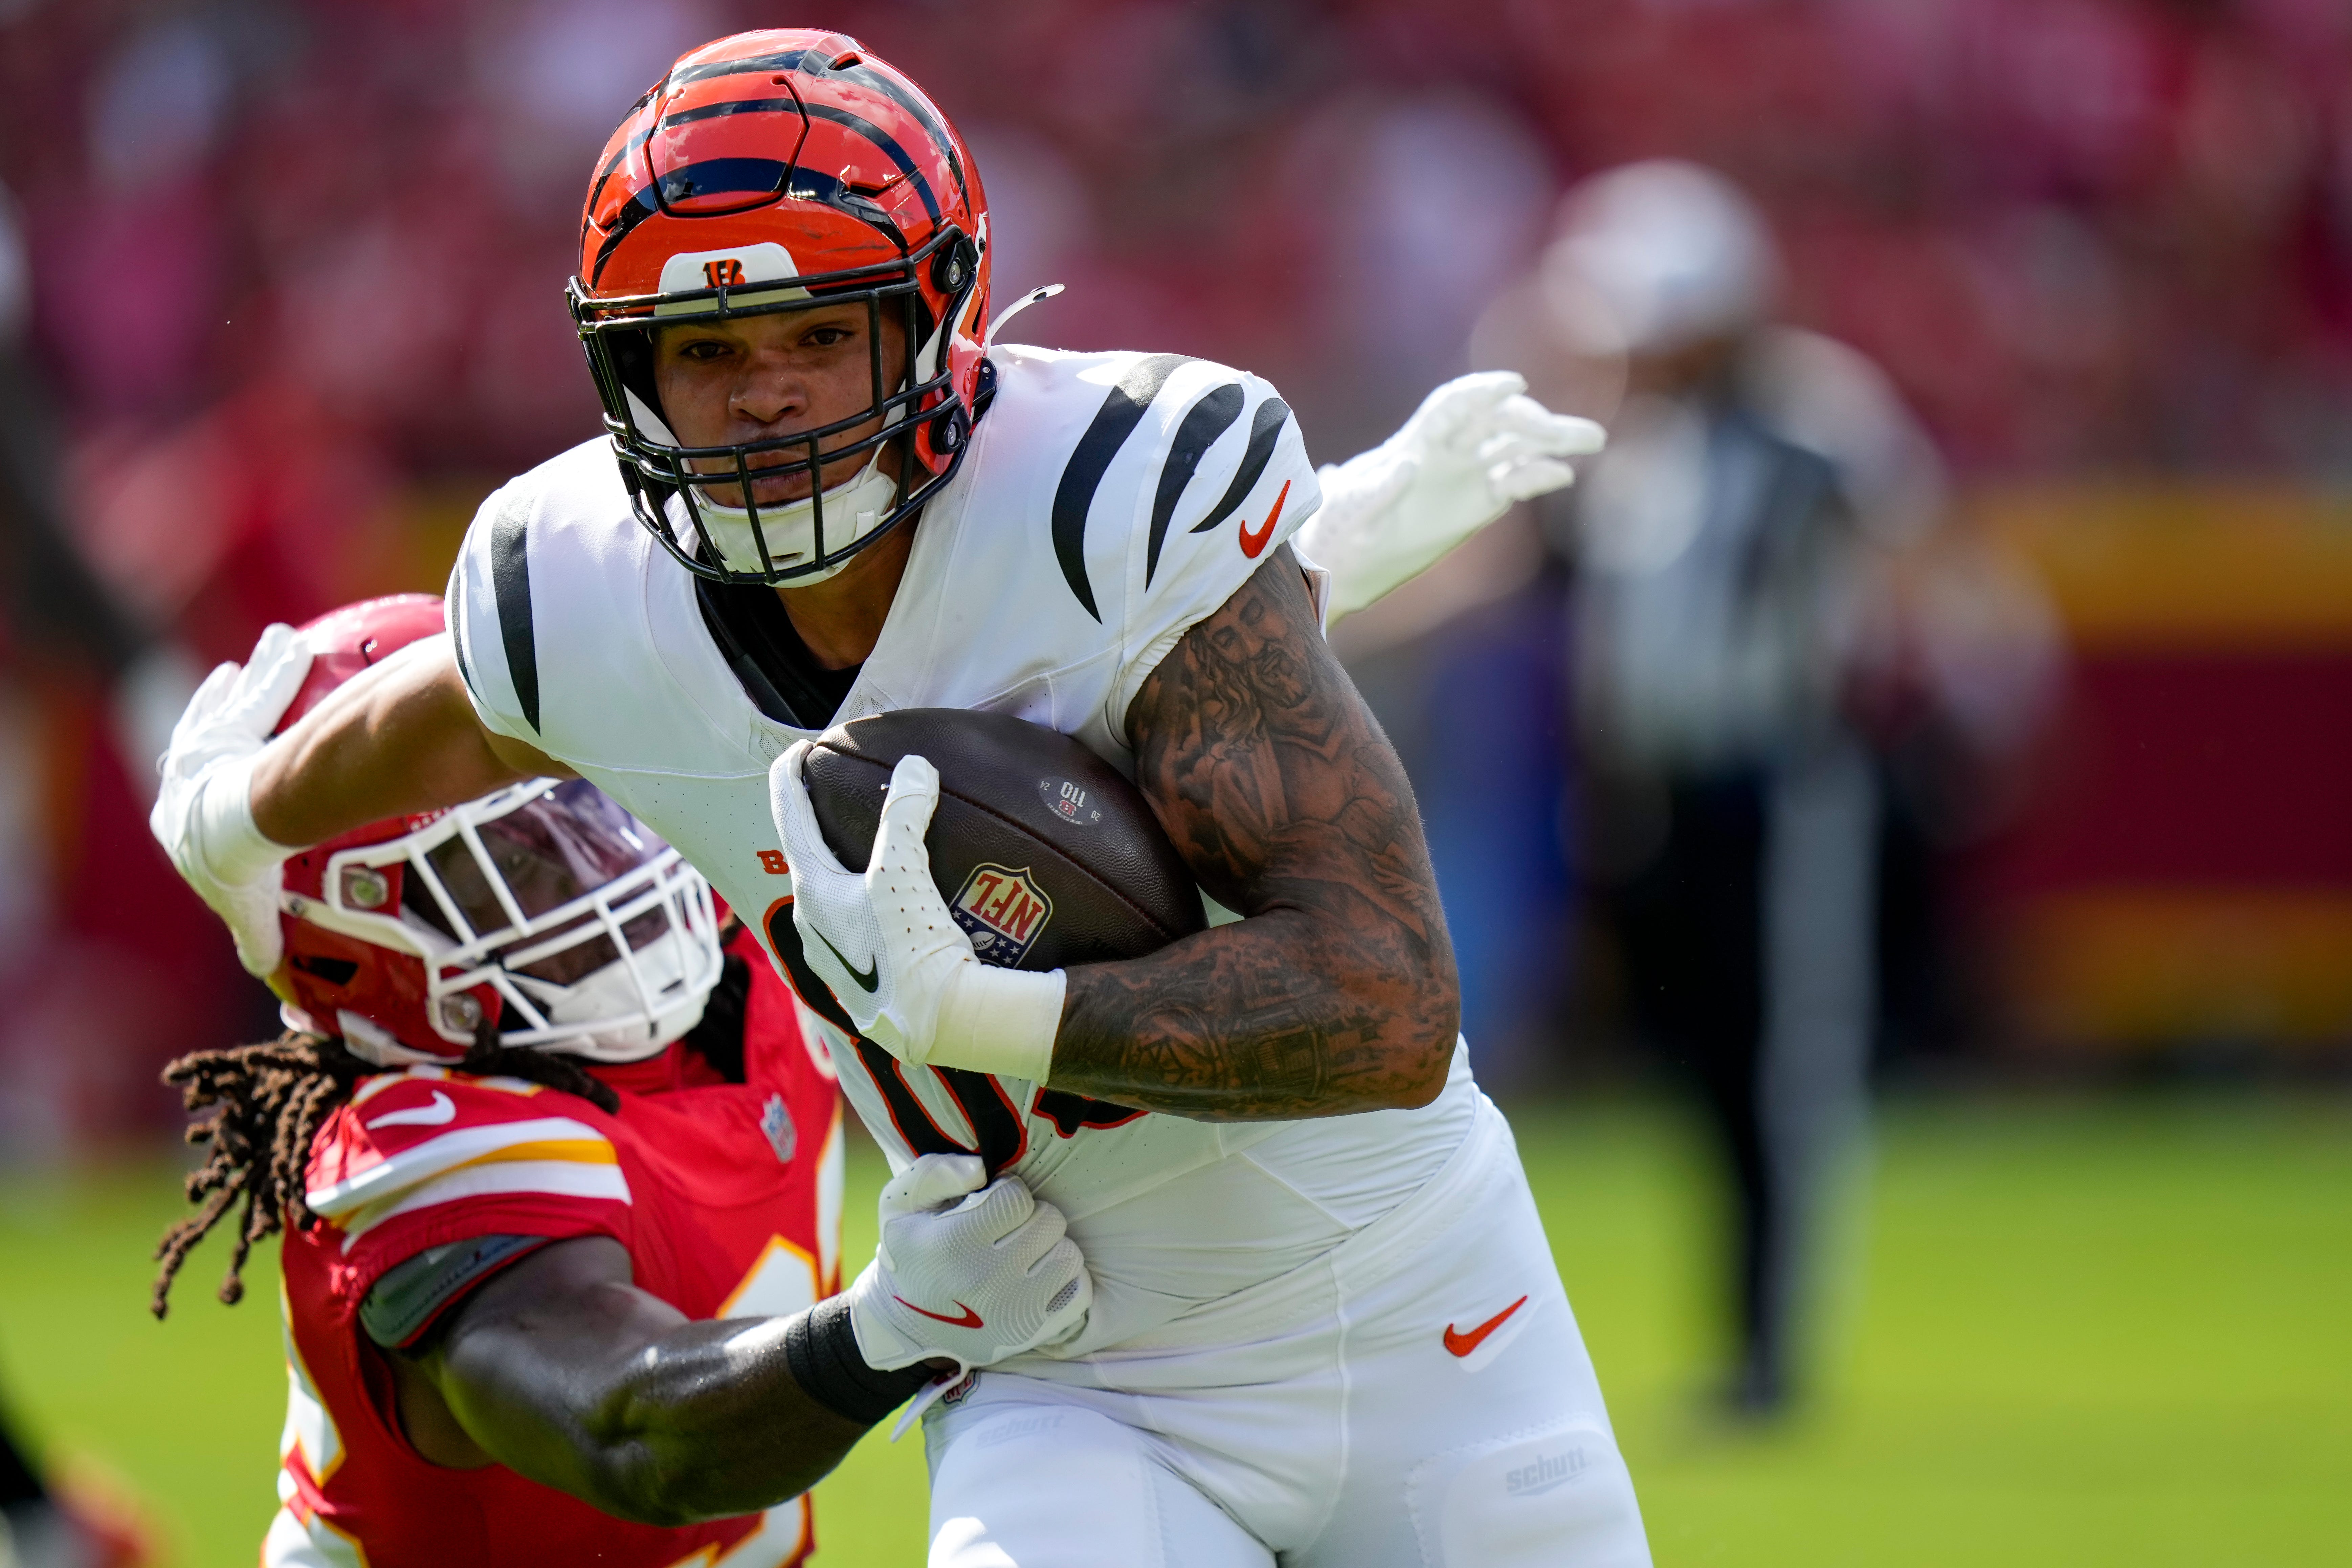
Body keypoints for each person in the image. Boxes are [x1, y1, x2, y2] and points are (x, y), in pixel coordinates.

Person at [152, 30, 1643, 1566]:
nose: (764, 398)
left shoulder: (1104, 496)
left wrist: (992, 1013)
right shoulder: (575, 590)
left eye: (817, 331)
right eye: (708, 352)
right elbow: (452, 714)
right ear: (627, 371)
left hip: (1414, 1308)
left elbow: (1386, 1002)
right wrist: (234, 815)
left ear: (935, 320)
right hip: (1066, 1362)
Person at [150, 593, 1092, 1568]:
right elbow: (628, 1429)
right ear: (353, 944)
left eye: (583, 813)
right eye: (500, 867)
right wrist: (891, 1327)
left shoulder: (745, 960)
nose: (591, 872)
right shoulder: (414, 1142)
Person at [1540, 160, 1957, 1414]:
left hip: (1777, 778)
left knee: (1780, 1068)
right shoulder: (1642, 438)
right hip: (1659, 793)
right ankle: (1744, 1343)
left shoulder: (1812, 416)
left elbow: (1914, 554)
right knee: (1705, 1065)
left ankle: (1773, 1351)